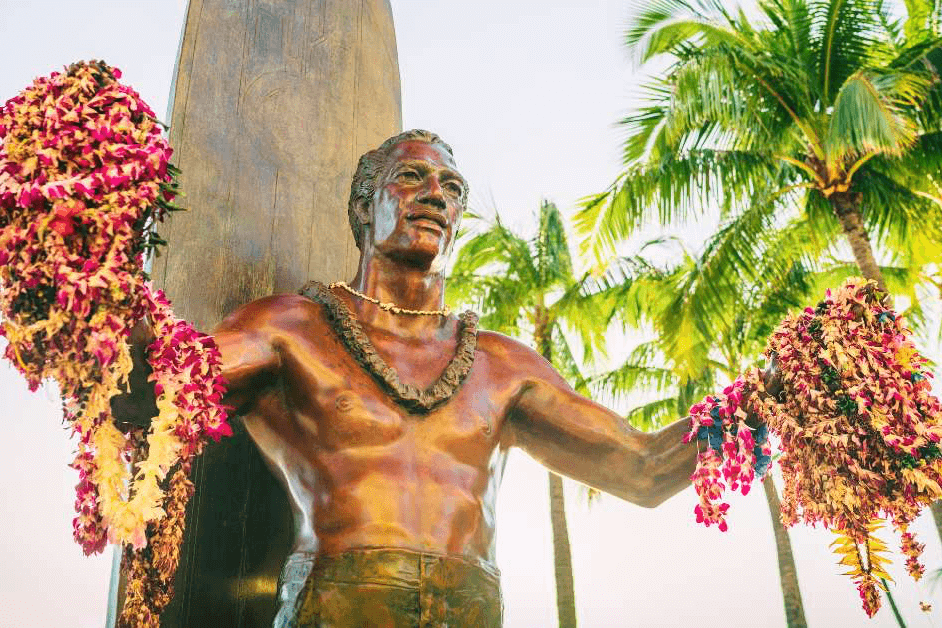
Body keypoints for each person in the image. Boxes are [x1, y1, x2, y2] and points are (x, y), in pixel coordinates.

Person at [115, 129, 769, 628]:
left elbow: (646, 467)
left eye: (451, 188)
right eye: (411, 177)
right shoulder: (293, 329)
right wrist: (102, 260)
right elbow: (158, 388)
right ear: (364, 203)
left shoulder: (500, 364)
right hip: (335, 609)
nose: (436, 195)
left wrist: (788, 392)